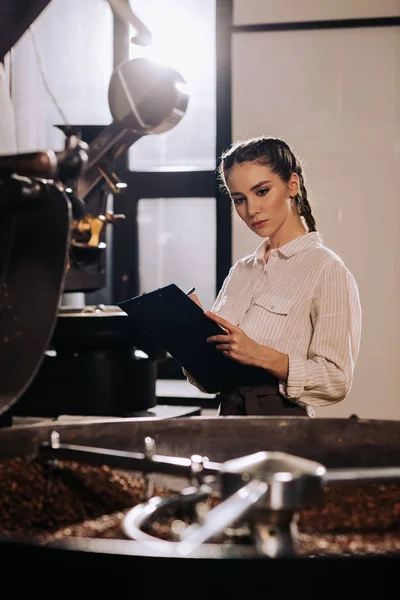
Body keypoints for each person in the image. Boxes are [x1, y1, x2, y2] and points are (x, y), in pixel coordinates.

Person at [186, 135, 362, 417]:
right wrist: (192, 337)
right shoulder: (241, 271)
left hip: (282, 426)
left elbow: (337, 380)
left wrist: (258, 354)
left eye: (262, 191)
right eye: (239, 199)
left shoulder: (326, 269)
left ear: (292, 185)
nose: (251, 210)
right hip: (226, 423)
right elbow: (211, 383)